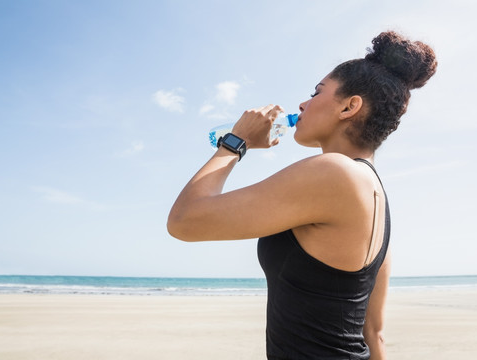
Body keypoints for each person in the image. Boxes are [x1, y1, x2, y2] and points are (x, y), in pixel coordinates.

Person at [168, 31, 437, 360]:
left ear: (350, 106)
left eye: (316, 92)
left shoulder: (334, 173)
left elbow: (184, 220)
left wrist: (236, 142)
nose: (303, 104)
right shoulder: (376, 196)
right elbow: (373, 332)